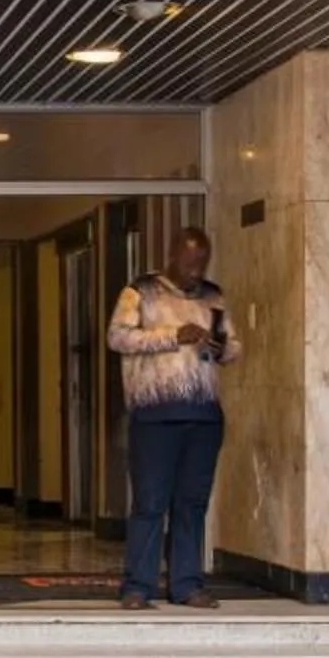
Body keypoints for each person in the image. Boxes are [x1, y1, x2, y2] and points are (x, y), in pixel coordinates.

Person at [108, 226, 239, 610]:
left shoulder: (213, 295)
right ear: (172, 254)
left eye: (201, 264)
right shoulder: (141, 291)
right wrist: (172, 335)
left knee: (192, 503)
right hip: (155, 415)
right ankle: (138, 586)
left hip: (204, 416)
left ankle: (186, 584)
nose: (195, 272)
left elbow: (233, 346)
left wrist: (222, 346)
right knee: (150, 502)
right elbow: (117, 337)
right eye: (189, 263)